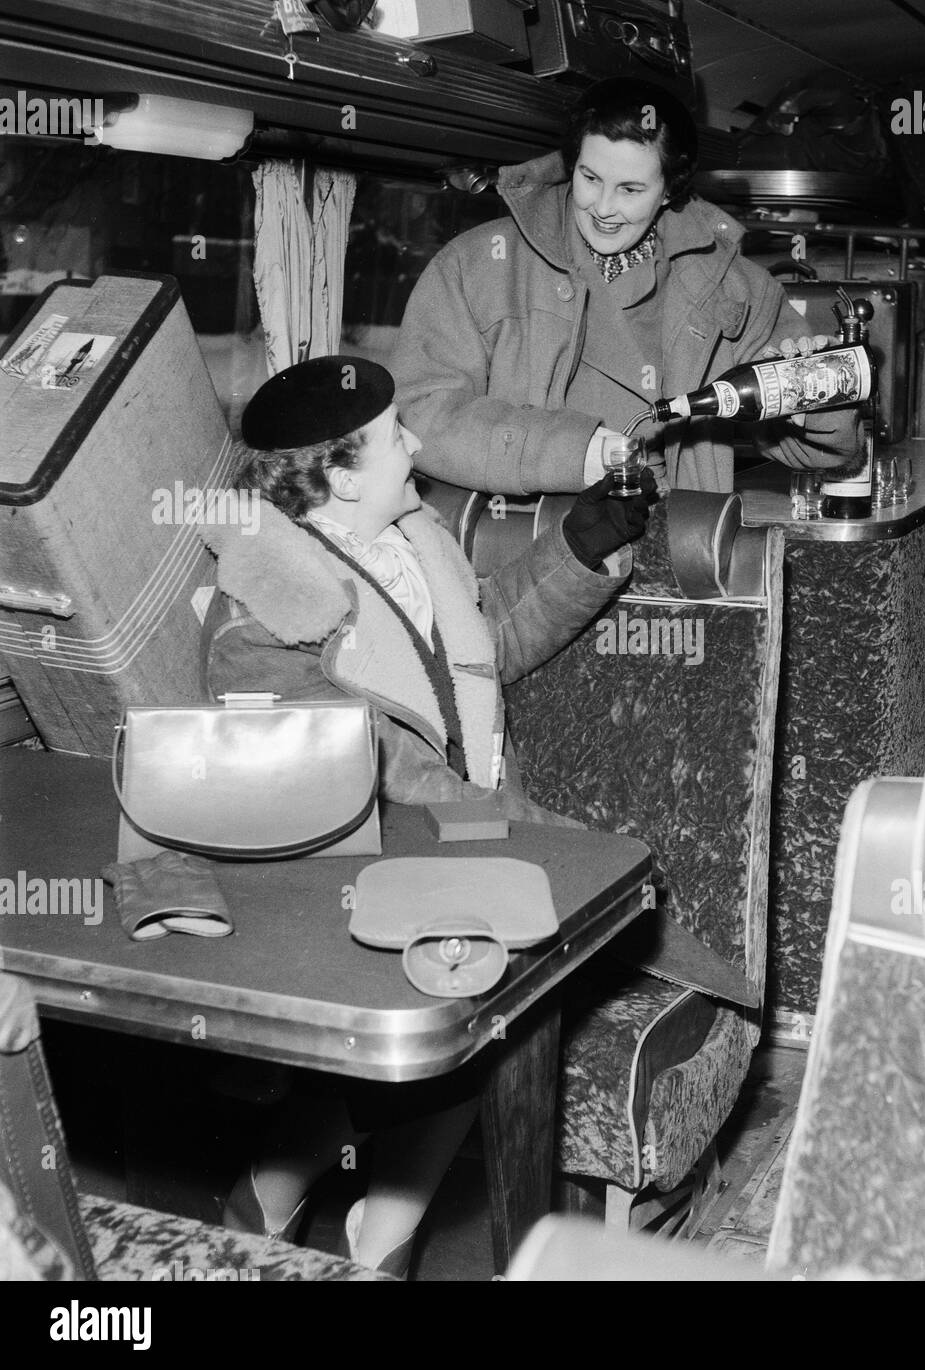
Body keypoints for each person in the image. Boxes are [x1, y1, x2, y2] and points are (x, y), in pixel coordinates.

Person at [200, 354, 654, 1275]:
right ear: (335, 471)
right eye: (393, 435)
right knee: (492, 994)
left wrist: (580, 544)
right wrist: (513, 831)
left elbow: (484, 651)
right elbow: (351, 783)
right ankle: (341, 1218)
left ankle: (318, 1210)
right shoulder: (262, 611)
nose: (415, 445)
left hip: (460, 842)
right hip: (348, 877)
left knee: (496, 992)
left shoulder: (411, 535)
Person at [390, 77, 860, 496]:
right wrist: (567, 452)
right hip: (523, 540)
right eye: (590, 178)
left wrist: (818, 403)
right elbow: (421, 415)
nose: (603, 207)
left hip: (674, 541)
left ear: (670, 190)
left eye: (631, 190)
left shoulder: (736, 288)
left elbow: (823, 457)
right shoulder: (479, 263)